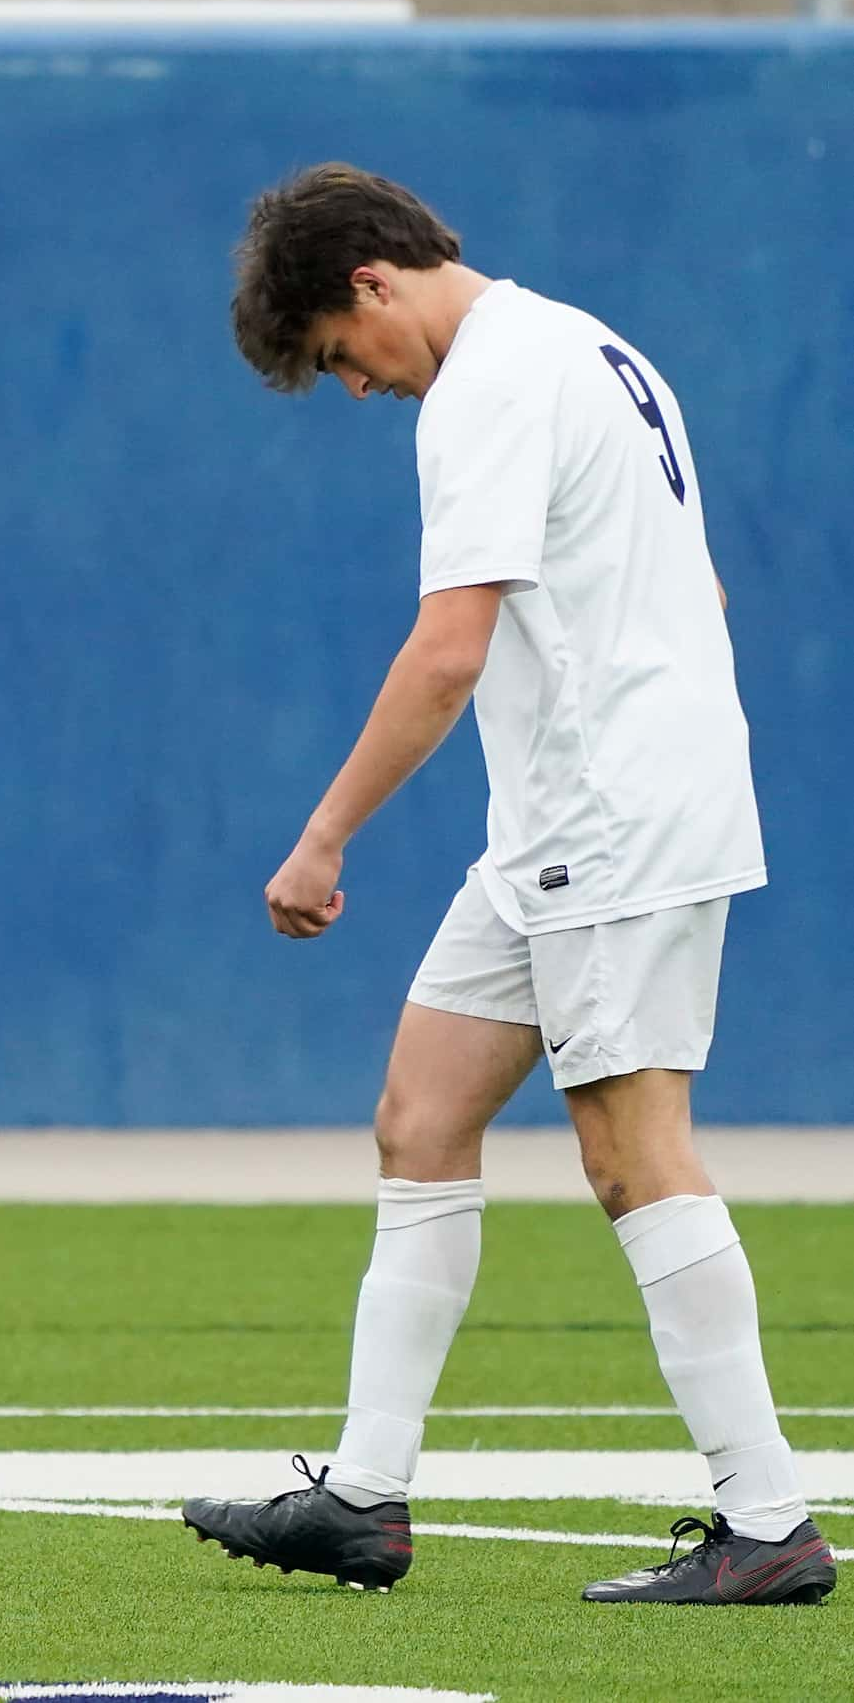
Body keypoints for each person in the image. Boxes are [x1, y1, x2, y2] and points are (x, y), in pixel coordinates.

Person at [180, 165, 834, 1606]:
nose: (357, 389)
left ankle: (769, 1518)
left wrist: (324, 835)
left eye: (343, 359)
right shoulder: (592, 345)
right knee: (421, 1113)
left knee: (631, 1149)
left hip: (607, 815)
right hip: (577, 808)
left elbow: (448, 651)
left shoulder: (485, 386)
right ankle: (364, 1492)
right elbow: (701, 592)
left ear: (374, 283)